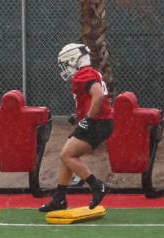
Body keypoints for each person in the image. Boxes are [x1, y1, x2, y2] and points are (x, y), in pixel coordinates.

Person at [39, 43, 114, 213]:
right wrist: (80, 115)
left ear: (73, 60)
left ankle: (97, 186)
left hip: (97, 123)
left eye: (65, 64)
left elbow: (98, 95)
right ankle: (59, 199)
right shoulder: (91, 72)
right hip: (101, 121)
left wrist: (87, 118)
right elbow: (95, 97)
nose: (64, 69)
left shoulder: (84, 74)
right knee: (67, 156)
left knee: (67, 155)